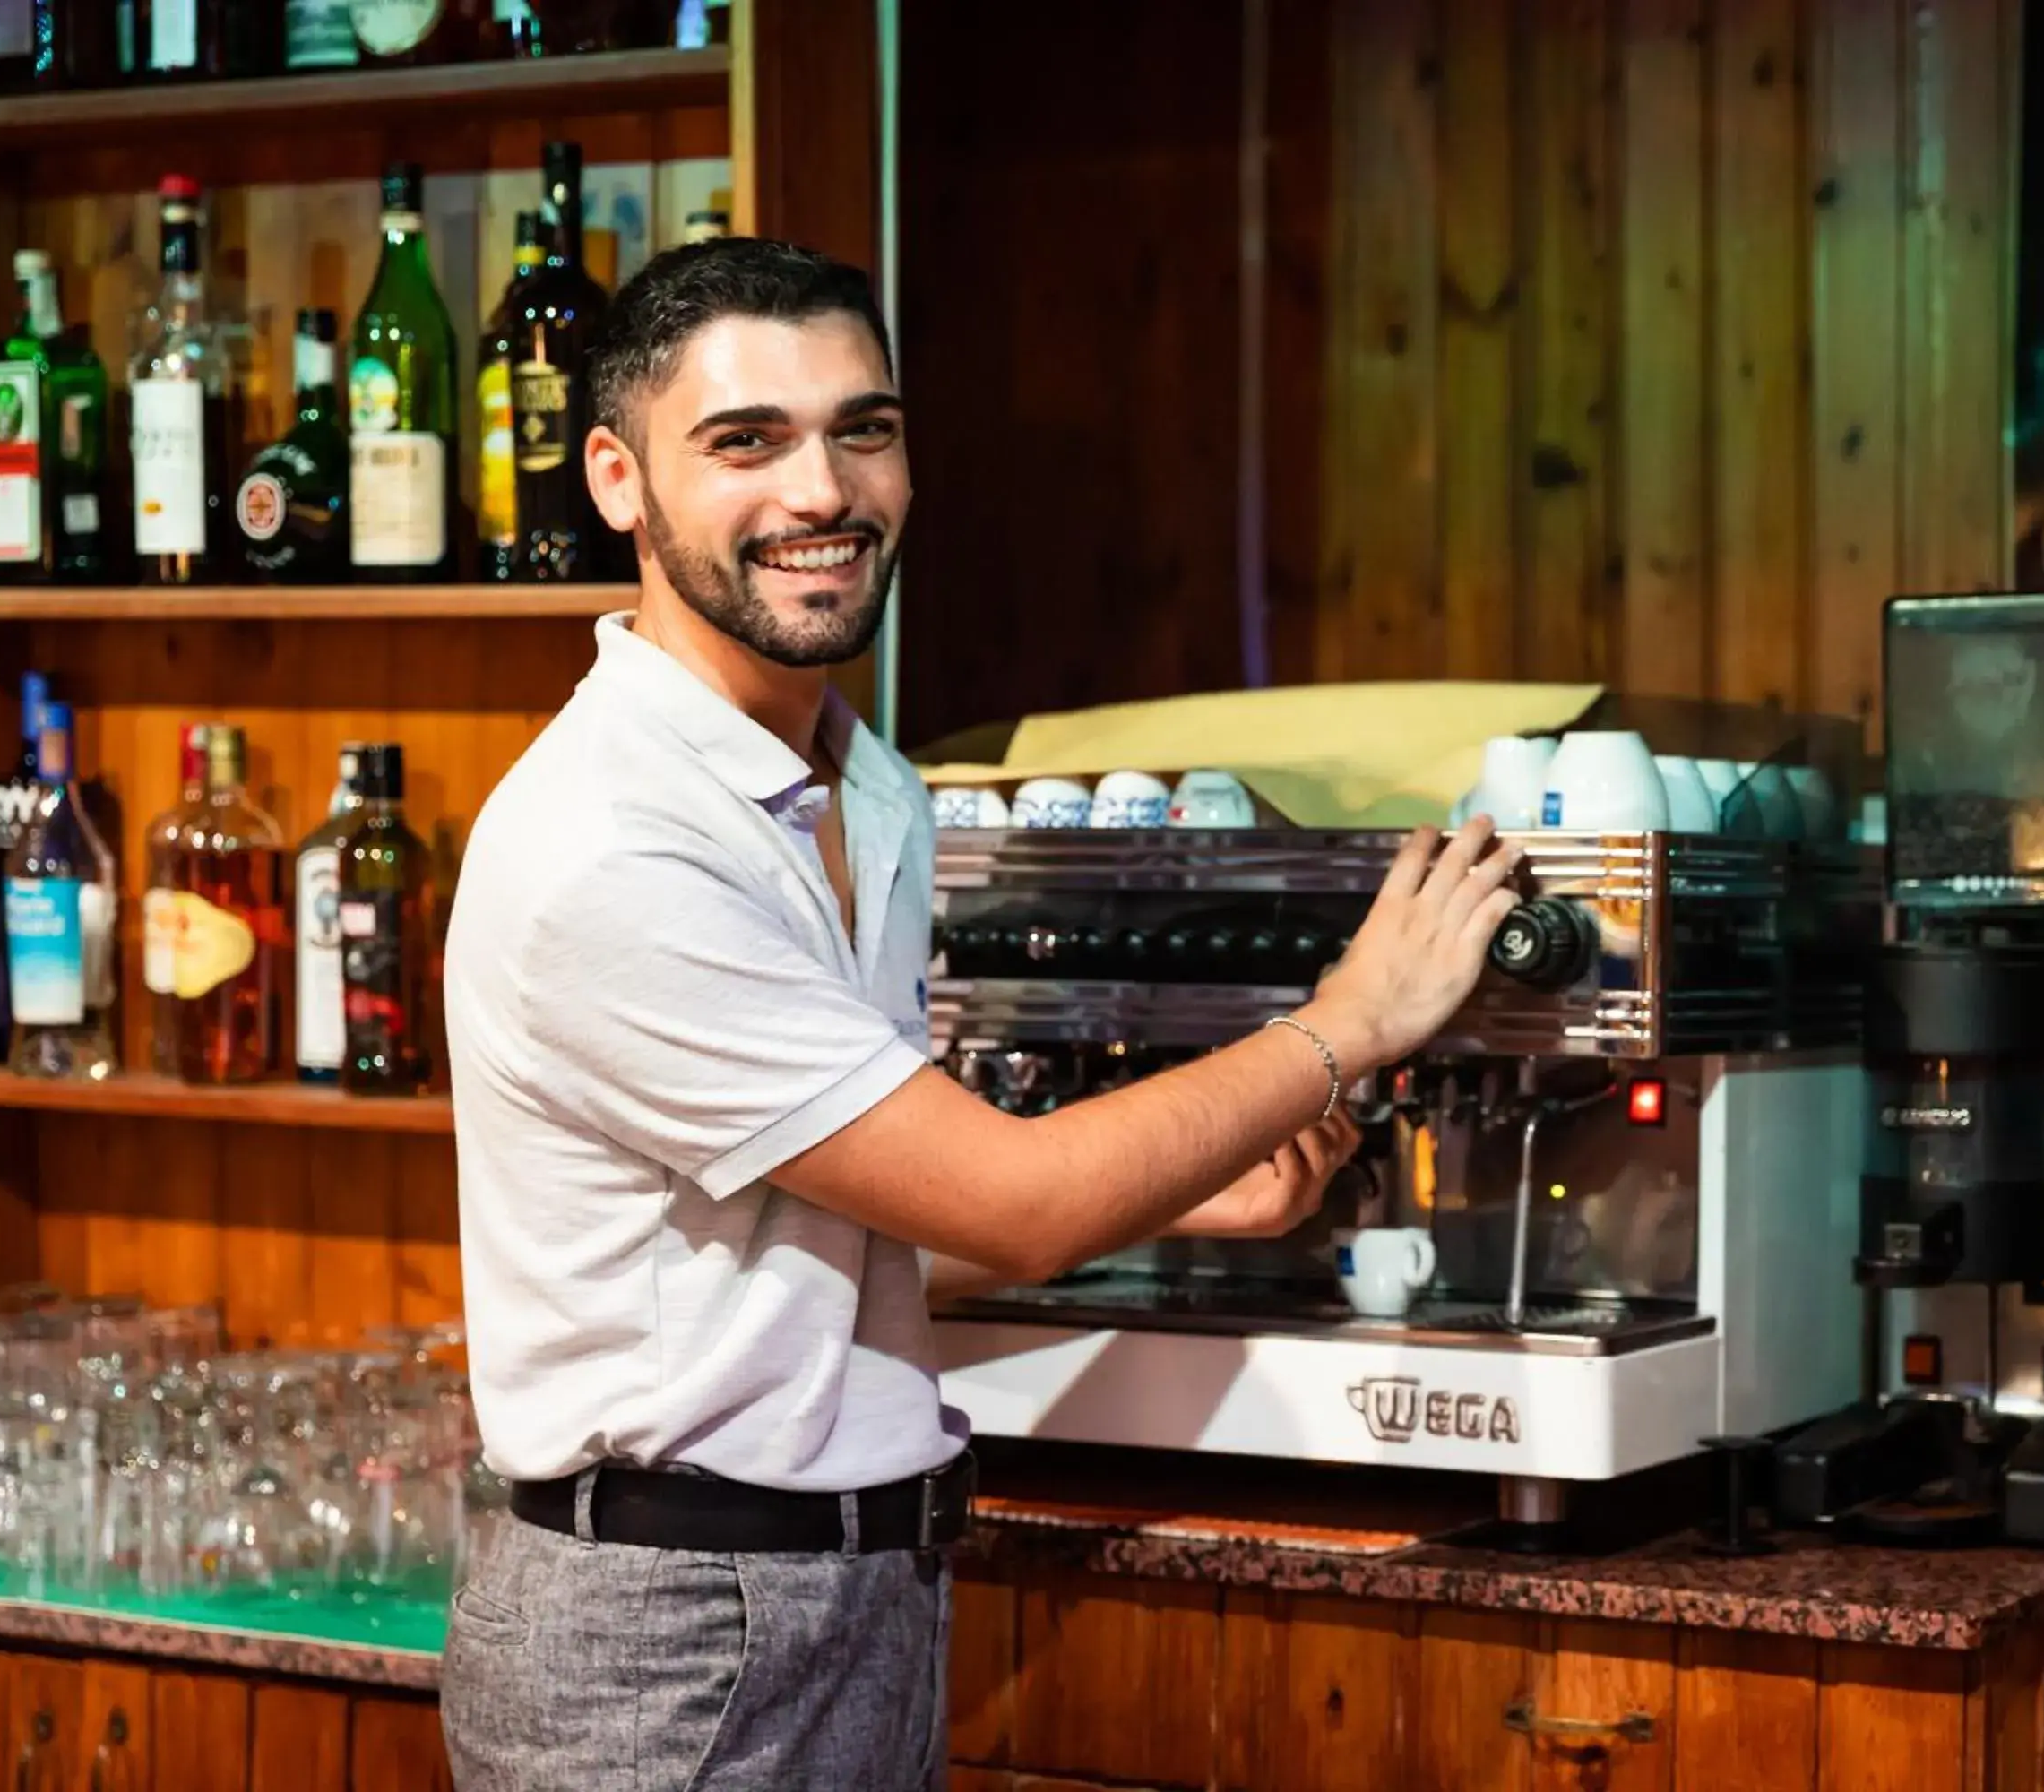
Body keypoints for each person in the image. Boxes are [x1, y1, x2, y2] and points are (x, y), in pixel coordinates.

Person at [437, 237, 1521, 1789]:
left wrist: (1184, 1201)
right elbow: (1012, 1207)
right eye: (746, 443)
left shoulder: (862, 783)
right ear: (618, 479)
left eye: (861, 431)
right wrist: (1350, 1018)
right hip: (666, 1631)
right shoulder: (614, 843)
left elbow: (814, 1237)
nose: (822, 491)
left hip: (865, 1593)